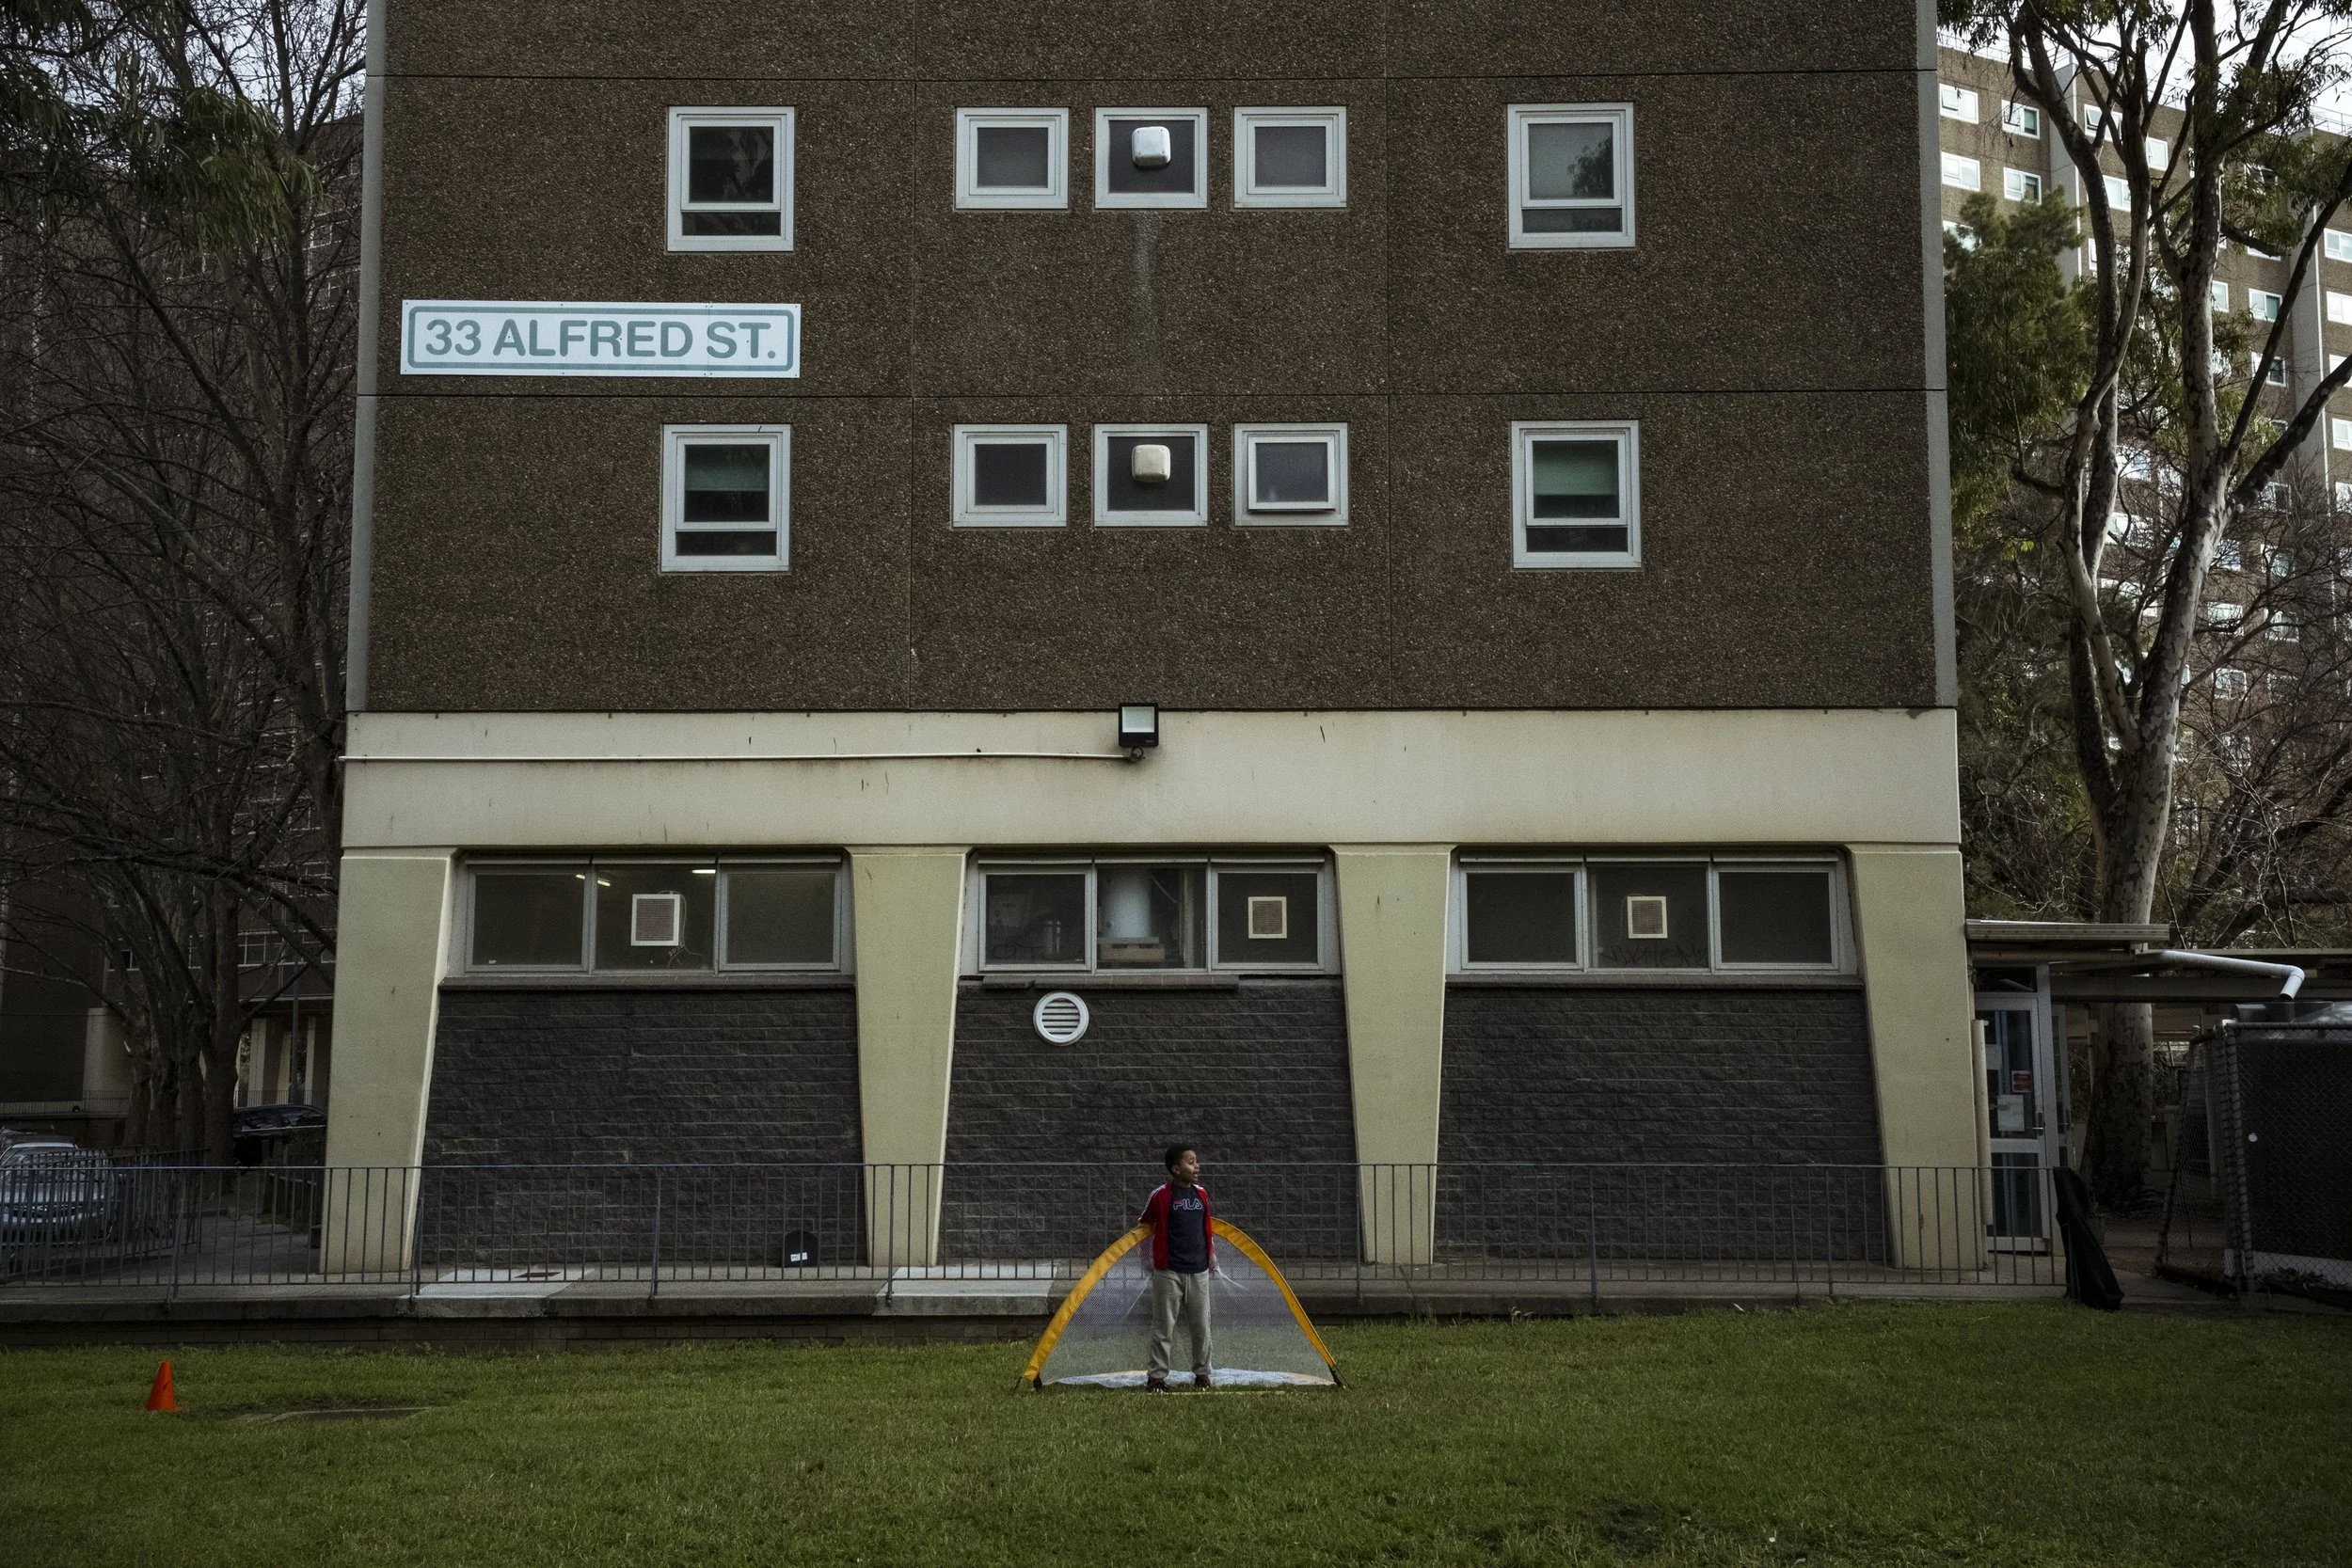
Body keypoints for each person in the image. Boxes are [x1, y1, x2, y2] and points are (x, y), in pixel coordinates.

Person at [1138, 1144, 1214, 1390]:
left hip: (1199, 1271)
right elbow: (1144, 1227)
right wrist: (1148, 1259)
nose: (1197, 1166)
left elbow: (1207, 1228)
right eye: (1191, 1162)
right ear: (1175, 1168)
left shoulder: (1201, 1194)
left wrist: (1210, 1256)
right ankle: (1157, 1378)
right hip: (1168, 1271)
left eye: (1196, 1161)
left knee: (1201, 1325)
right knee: (1163, 1326)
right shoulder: (1161, 1196)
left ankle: (1202, 1374)